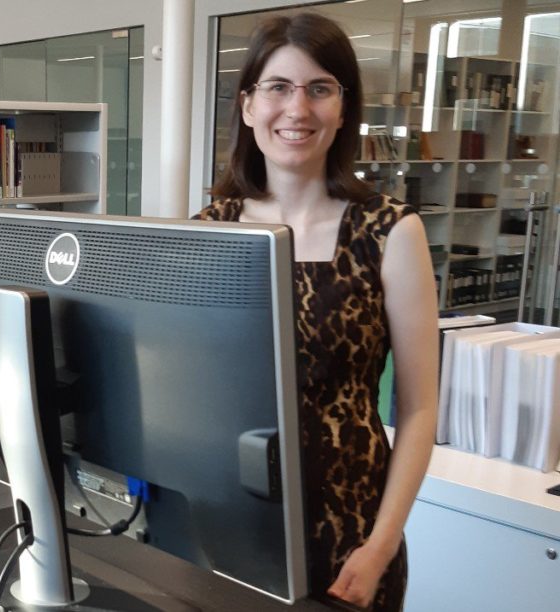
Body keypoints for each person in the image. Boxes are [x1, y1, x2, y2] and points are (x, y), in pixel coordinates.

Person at [193, 12, 438, 611]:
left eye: (319, 88)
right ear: (248, 105)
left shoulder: (389, 231)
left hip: (349, 537)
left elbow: (421, 408)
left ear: (343, 107)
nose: (297, 109)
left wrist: (380, 547)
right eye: (278, 87)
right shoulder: (209, 231)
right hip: (228, 527)